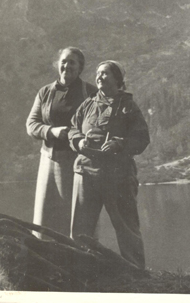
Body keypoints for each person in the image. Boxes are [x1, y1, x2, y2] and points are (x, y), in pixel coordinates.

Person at [69, 60, 150, 269]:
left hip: (118, 177)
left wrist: (119, 144)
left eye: (105, 73)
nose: (99, 77)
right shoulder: (87, 104)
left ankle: (136, 276)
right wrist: (78, 140)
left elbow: (141, 138)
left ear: (117, 79)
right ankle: (82, 273)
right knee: (81, 230)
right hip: (86, 173)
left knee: (127, 228)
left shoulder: (128, 107)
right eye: (97, 73)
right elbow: (72, 128)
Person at [26, 47, 96, 237]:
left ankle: (78, 261)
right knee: (46, 217)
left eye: (72, 62)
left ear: (80, 67)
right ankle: (45, 259)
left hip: (78, 162)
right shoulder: (45, 92)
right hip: (50, 161)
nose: (66, 66)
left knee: (77, 218)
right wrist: (52, 131)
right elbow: (31, 125)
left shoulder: (90, 92)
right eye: (63, 61)